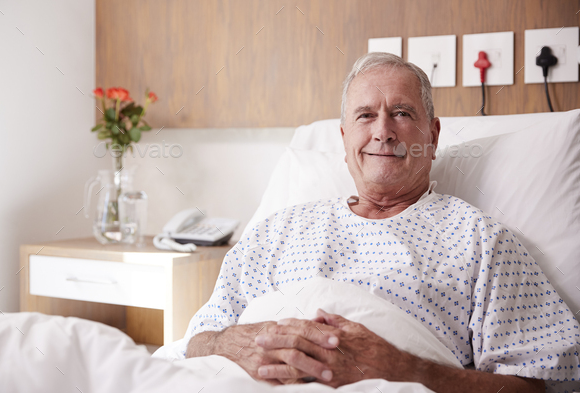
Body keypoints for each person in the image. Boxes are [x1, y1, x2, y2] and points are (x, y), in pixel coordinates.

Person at [184, 53, 579, 392]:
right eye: (365, 115)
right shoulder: (278, 230)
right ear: (344, 138)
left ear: (433, 135)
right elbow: (197, 342)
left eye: (402, 113)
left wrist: (405, 369)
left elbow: (536, 384)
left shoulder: (480, 241)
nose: (383, 132)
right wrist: (237, 344)